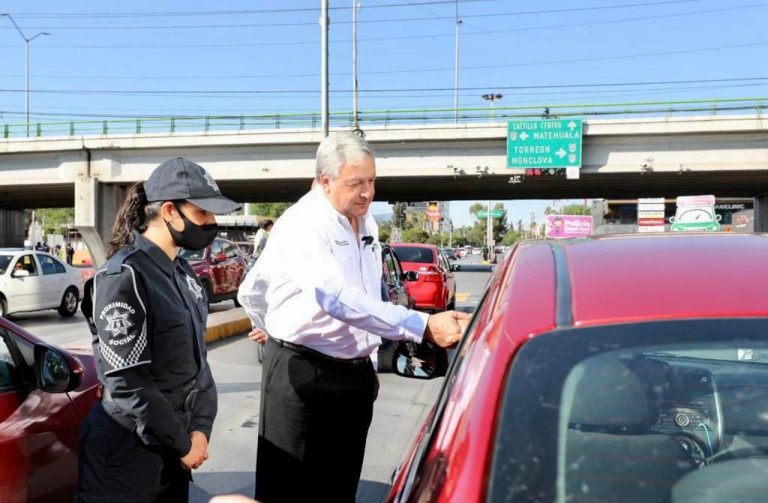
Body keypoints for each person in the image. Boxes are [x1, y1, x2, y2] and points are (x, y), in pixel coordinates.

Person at [238, 132, 470, 503]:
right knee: (289, 492)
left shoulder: (367, 223)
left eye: (372, 181)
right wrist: (422, 324)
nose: (368, 193)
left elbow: (366, 295)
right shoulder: (304, 224)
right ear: (324, 181)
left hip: (353, 377)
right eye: (356, 183)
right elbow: (334, 298)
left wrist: (367, 361)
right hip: (303, 376)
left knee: (339, 488)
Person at [75, 157, 241, 502]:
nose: (211, 224)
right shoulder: (124, 276)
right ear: (169, 210)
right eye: (203, 214)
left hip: (173, 445)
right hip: (126, 449)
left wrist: (200, 430)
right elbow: (127, 380)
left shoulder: (184, 275)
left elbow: (198, 365)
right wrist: (182, 444)